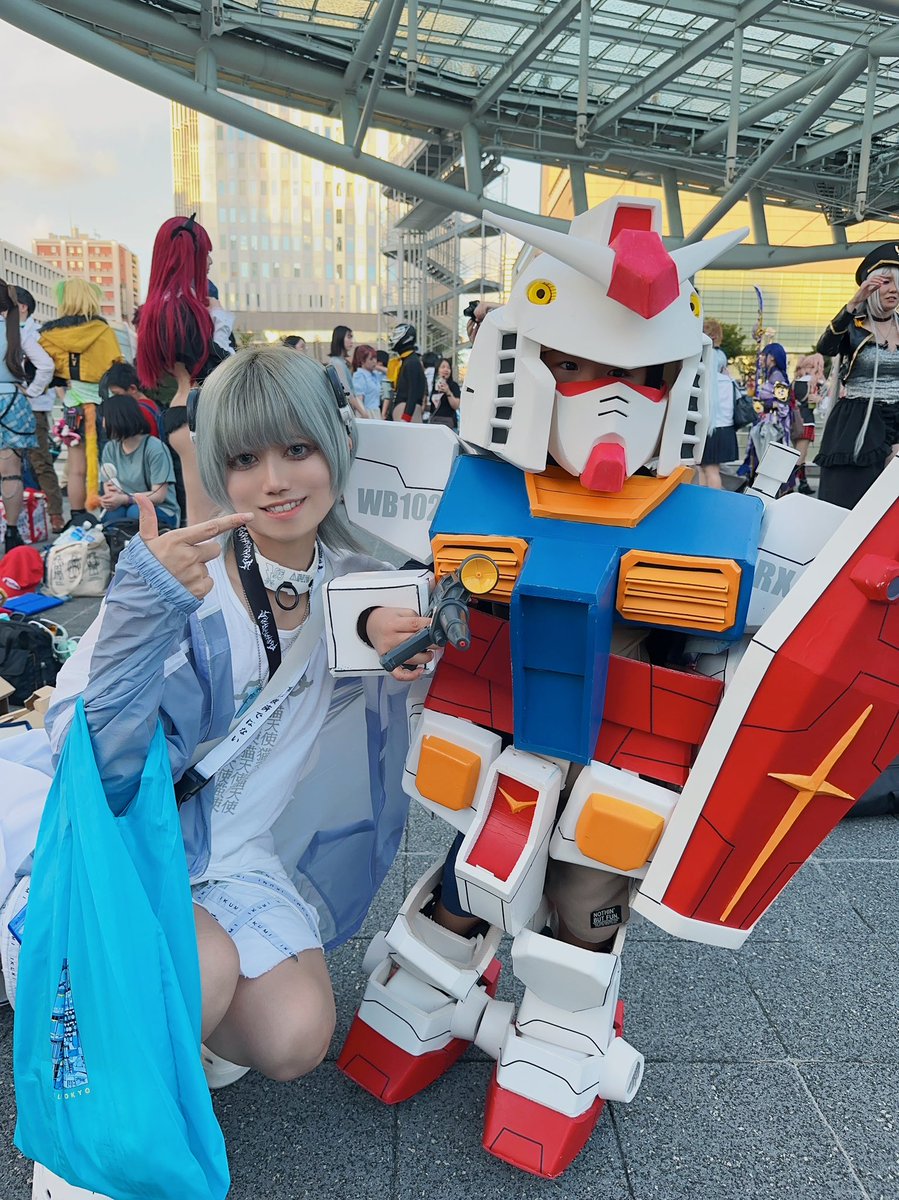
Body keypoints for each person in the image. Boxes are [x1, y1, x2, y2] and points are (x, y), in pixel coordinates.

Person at [1, 347, 431, 1149]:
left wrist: (399, 641)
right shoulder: (179, 576)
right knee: (201, 975)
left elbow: (393, 644)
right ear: (219, 471)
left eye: (296, 449)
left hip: (234, 857)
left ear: (336, 447)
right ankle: (54, 976)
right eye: (244, 459)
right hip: (131, 847)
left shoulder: (360, 581)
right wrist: (144, 610)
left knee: (295, 1038)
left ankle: (165, 1016)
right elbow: (83, 749)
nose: (275, 480)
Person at [137, 215, 235, 525]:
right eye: (205, 254)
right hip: (201, 409)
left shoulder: (164, 307)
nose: (209, 262)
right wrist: (220, 321)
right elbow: (219, 366)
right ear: (188, 255)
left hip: (188, 407)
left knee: (205, 516)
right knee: (210, 520)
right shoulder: (183, 308)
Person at [815, 245, 899, 509]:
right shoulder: (853, 325)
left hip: (896, 418)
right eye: (886, 282)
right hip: (859, 420)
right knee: (849, 501)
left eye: (898, 283)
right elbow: (826, 347)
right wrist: (852, 305)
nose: (894, 290)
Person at [38, 278, 123, 524]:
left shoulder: (49, 335)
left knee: (76, 468)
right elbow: (117, 366)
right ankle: (110, 516)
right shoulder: (103, 331)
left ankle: (76, 517)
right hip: (103, 405)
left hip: (73, 405)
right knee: (109, 463)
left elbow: (44, 369)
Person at [14, 288, 63, 533]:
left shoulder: (39, 334)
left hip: (33, 406)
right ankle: (12, 517)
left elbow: (47, 368)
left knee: (40, 460)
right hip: (10, 404)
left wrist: (31, 391)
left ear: (22, 307)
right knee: (9, 463)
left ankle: (55, 514)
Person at [98, 393, 179, 529]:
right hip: (125, 505)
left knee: (136, 512)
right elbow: (108, 484)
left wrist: (125, 499)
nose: (103, 424)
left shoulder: (155, 448)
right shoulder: (110, 448)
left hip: (161, 509)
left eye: (105, 417)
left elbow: (159, 495)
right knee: (112, 515)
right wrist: (109, 499)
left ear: (118, 419)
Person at [0, 280, 39, 553]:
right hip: (13, 401)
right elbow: (45, 365)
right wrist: (32, 391)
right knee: (11, 472)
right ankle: (12, 531)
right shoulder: (16, 331)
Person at [697, 348, 739, 489]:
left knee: (708, 470)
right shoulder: (730, 381)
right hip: (726, 430)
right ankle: (708, 499)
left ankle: (708, 499)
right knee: (710, 470)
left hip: (709, 429)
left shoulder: (704, 380)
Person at [791, 352, 826, 495]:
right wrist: (819, 399)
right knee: (800, 456)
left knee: (799, 455)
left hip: (794, 421)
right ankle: (787, 483)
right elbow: (819, 404)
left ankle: (803, 483)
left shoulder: (794, 383)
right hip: (807, 422)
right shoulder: (813, 383)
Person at [101, 361, 163, 438]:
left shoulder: (138, 412)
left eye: (117, 394)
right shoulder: (150, 404)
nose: (115, 399)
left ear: (132, 388)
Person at [388, 323, 427, 423]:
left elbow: (413, 392)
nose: (392, 339)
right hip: (404, 413)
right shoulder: (407, 360)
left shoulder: (412, 362)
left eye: (396, 335)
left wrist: (406, 417)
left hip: (407, 415)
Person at [328, 325, 367, 419]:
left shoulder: (342, 362)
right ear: (340, 338)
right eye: (349, 337)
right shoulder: (336, 363)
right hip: (345, 412)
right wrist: (363, 413)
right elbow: (347, 392)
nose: (351, 341)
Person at [427, 357, 461, 430]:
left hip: (449, 423)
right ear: (437, 370)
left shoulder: (454, 385)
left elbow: (456, 406)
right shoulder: (433, 385)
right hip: (434, 422)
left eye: (448, 368)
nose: (446, 369)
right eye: (443, 367)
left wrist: (448, 391)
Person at [350, 344, 383, 418]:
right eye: (371, 359)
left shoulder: (374, 374)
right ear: (362, 361)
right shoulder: (360, 375)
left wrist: (377, 367)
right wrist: (364, 414)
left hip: (376, 411)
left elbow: (389, 373)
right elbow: (358, 398)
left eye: (375, 358)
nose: (374, 361)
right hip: (367, 412)